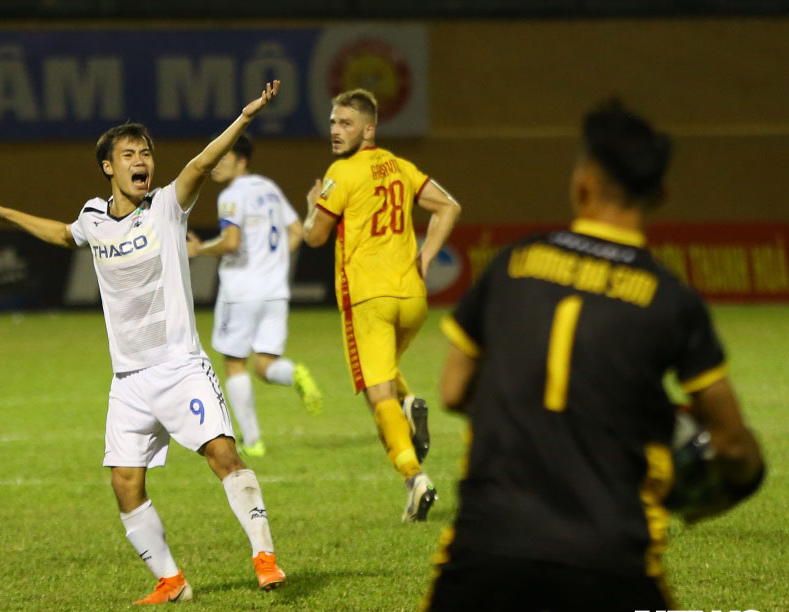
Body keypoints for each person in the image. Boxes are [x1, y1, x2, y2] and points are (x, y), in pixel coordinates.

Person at [425, 99, 766, 611]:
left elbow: (453, 390)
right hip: (608, 559)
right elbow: (732, 445)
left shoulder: (512, 263)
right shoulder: (670, 299)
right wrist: (743, 476)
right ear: (661, 195)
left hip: (487, 549)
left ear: (582, 184)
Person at [0, 81, 288, 605]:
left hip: (180, 366)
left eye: (146, 154)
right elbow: (62, 234)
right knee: (124, 483)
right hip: (129, 380)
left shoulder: (167, 206)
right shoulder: (93, 217)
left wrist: (245, 117)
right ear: (108, 167)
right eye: (129, 155)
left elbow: (202, 164)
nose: (141, 162)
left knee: (223, 455)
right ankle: (171, 581)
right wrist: (5, 212)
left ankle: (264, 556)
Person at [301, 88, 462, 522]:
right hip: (413, 299)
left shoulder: (341, 172)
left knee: (378, 396)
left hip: (369, 300)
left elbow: (315, 236)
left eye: (346, 124)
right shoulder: (400, 166)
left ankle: (415, 479)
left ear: (368, 129)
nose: (336, 131)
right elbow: (449, 207)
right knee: (386, 376)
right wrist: (425, 258)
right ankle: (408, 405)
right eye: (333, 123)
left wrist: (312, 206)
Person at [187, 133, 323, 458]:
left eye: (224, 156)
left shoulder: (232, 195)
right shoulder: (269, 188)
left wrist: (199, 250)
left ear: (242, 161)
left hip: (241, 292)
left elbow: (231, 242)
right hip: (275, 293)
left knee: (235, 363)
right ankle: (294, 373)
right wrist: (274, 263)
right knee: (265, 365)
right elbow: (298, 232)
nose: (216, 163)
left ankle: (253, 441)